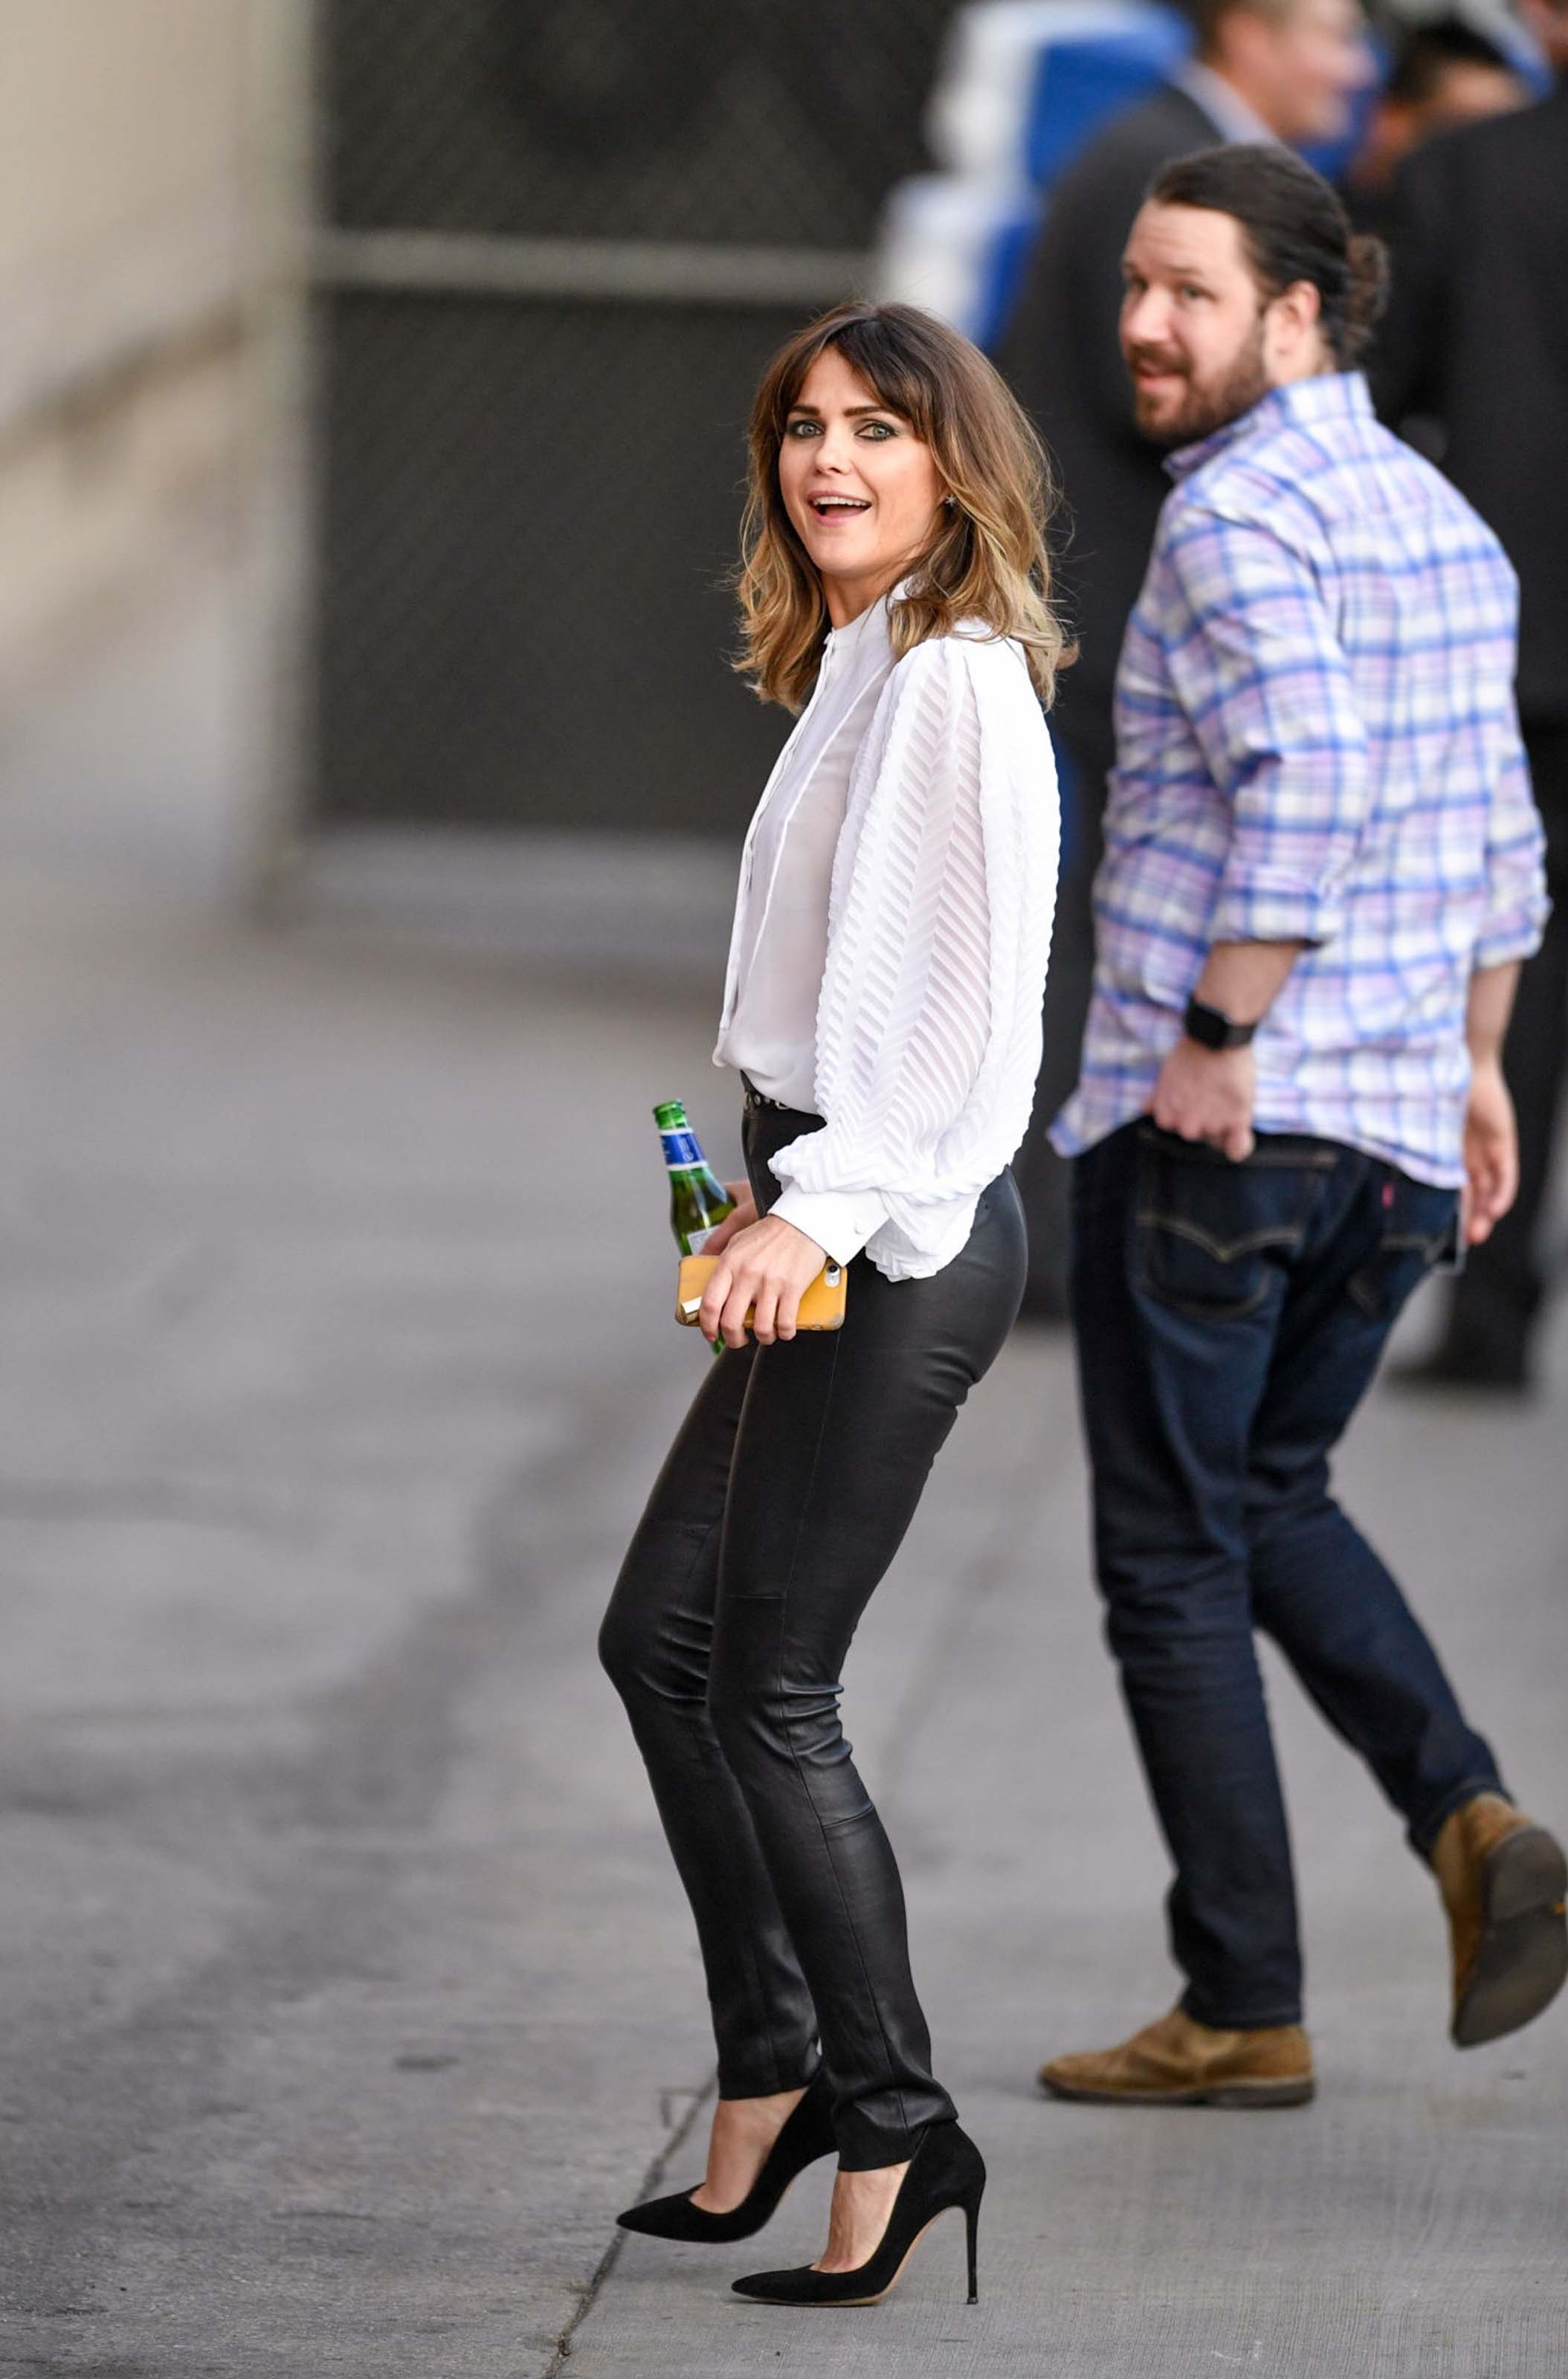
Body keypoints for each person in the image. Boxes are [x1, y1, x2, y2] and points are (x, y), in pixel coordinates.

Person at [1038, 145, 1568, 2111]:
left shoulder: (1232, 525)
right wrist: (1476, 1061)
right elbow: (1500, 837)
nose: (1139, 326)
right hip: (1393, 1138)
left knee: (1170, 1553)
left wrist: (1207, 1029)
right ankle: (1463, 1819)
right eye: (1128, 289)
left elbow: (1313, 786)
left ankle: (1240, 2004)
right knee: (1267, 1499)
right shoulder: (1438, 517)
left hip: (1228, 1126)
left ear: (1293, 311)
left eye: (1183, 292)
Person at [599, 303, 1064, 2302]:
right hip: (817, 1202)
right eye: (803, 428)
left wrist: (828, 1204)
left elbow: (971, 1034)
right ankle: (775, 2072)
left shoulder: (955, 679)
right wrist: (767, 1191)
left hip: (898, 1233)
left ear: (954, 462)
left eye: (877, 428)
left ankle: (896, 2118)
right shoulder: (865, 656)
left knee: (765, 1689)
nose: (830, 461)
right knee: (659, 1644)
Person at [997, 0, 1374, 1320]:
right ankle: (1040, 1236)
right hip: (1110, 607)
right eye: (1329, 33)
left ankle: (1068, 1225)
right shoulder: (1155, 171)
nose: (1352, 66)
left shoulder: (1175, 160)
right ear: (1247, 28)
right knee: (1091, 927)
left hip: (1124, 601)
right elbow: (1158, 391)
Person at [1371, 0, 1568, 1392]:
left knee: (1519, 969)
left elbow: (1386, 392)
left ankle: (1492, 1318)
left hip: (1530, 645)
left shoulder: (1465, 171)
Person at [1344, 14, 1528, 236]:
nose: (1487, 155)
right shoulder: (1323, 236)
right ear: (1392, 118)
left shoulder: (1507, 242)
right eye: (1459, 128)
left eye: (1503, 136)